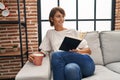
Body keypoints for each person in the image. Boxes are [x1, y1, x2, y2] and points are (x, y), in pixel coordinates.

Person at [29, 7, 95, 80]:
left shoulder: (72, 31)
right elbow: (43, 52)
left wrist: (78, 51)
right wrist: (33, 55)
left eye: (63, 16)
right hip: (72, 66)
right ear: (51, 19)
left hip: (86, 64)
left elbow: (89, 51)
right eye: (58, 16)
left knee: (56, 55)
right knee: (71, 69)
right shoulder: (50, 33)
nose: (61, 19)